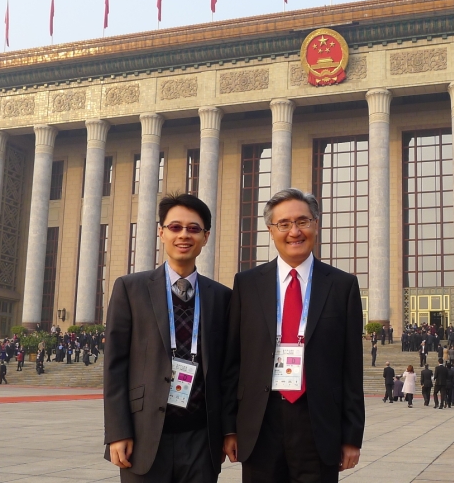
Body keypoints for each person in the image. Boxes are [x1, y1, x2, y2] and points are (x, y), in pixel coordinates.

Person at [222, 188, 365, 480]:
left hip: (318, 424)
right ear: (271, 231)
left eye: (303, 221)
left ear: (316, 224)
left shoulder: (342, 286)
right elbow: (233, 361)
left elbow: (351, 368)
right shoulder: (247, 285)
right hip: (260, 423)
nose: (294, 232)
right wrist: (229, 427)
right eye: (284, 224)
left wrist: (351, 436)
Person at [104, 194, 231, 482]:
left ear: (205, 236)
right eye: (175, 227)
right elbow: (115, 366)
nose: (184, 235)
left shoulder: (222, 297)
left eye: (193, 228)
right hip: (144, 435)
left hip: (201, 439)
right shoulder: (131, 289)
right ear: (161, 232)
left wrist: (228, 429)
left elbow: (228, 370)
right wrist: (117, 432)